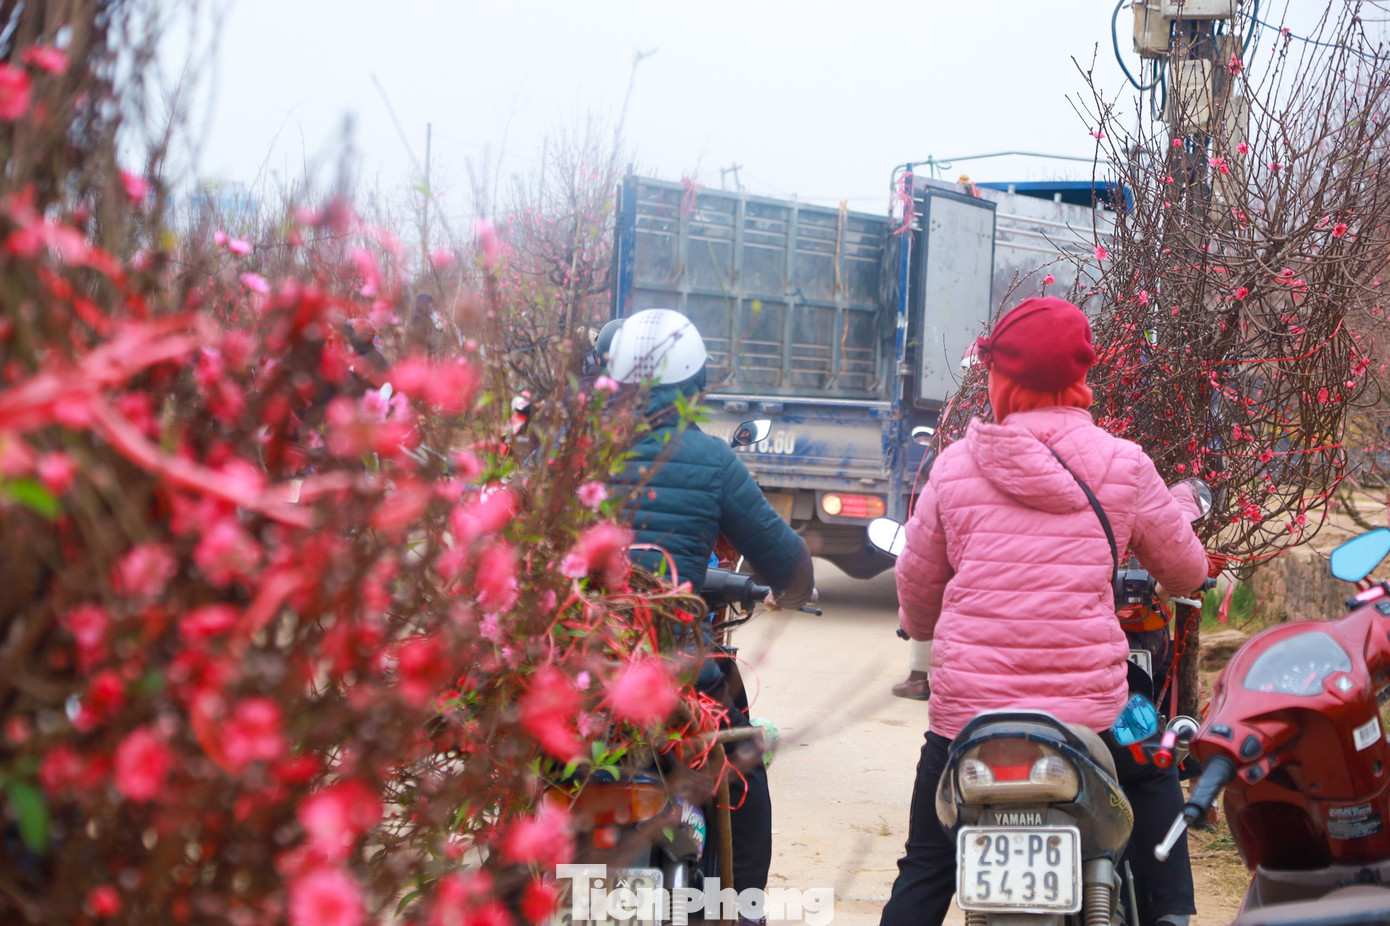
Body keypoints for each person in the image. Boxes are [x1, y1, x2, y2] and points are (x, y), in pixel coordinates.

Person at [880, 296, 1209, 926]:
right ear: (1080, 376)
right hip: (1092, 713)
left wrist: (921, 630)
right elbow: (1186, 571)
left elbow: (917, 586)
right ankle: (1172, 916)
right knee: (1152, 774)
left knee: (925, 862)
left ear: (1000, 377)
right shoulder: (1125, 464)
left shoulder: (954, 468)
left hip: (968, 720)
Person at [606, 308, 814, 920]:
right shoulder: (713, 462)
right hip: (677, 678)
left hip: (583, 676)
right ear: (697, 390)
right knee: (742, 770)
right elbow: (789, 562)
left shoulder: (580, 458)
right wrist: (792, 593)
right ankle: (741, 908)